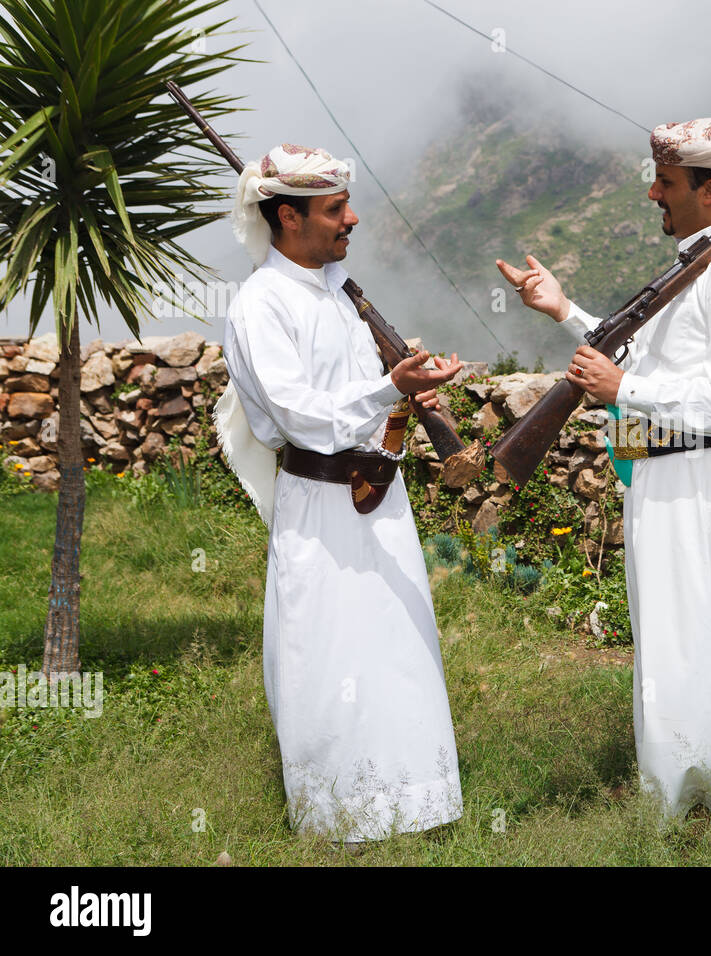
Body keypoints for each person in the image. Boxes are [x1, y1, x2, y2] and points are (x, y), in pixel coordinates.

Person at [497, 116, 711, 819]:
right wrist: (565, 311)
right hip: (663, 474)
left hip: (695, 477)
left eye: (666, 181)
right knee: (673, 636)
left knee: (693, 638)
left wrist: (625, 393)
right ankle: (685, 786)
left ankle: (696, 802)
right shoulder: (701, 264)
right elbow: (647, 363)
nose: (652, 192)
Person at [217, 144, 464, 842]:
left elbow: (360, 402)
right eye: (335, 210)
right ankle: (339, 817)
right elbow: (297, 414)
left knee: (396, 646)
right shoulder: (261, 305)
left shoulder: (339, 292)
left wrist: (404, 392)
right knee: (326, 655)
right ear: (289, 217)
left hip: (378, 495)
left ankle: (414, 806)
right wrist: (393, 386)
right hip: (319, 506)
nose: (351, 220)